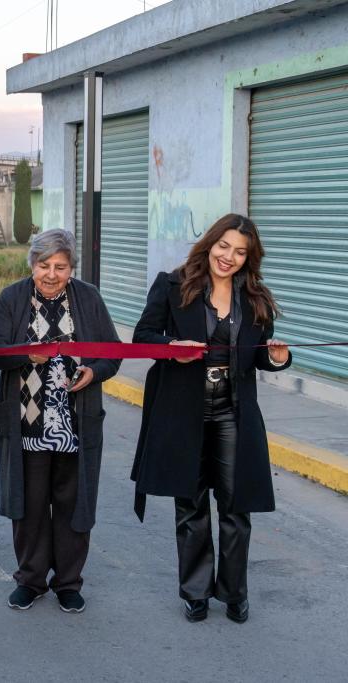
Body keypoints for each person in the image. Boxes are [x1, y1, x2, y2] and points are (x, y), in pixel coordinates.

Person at [131, 213, 290, 624]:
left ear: (248, 258)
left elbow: (257, 355)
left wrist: (277, 358)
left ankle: (234, 592)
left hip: (233, 412)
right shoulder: (173, 285)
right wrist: (172, 346)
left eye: (240, 252)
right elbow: (143, 337)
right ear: (210, 242)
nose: (229, 257)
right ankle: (196, 591)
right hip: (185, 410)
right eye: (224, 246)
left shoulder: (256, 297)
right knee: (191, 503)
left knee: (237, 506)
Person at [0, 229, 121, 614]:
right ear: (32, 264)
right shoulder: (13, 298)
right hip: (25, 422)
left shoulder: (88, 298)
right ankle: (30, 580)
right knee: (28, 504)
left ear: (71, 268)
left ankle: (68, 582)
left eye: (60, 267)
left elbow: (112, 353)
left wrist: (93, 373)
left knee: (72, 502)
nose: (51, 274)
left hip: (75, 424)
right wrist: (29, 355)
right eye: (44, 265)